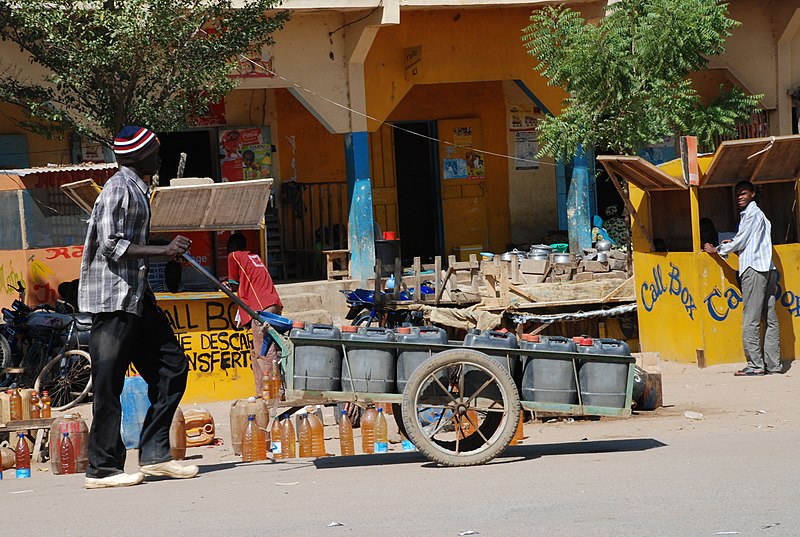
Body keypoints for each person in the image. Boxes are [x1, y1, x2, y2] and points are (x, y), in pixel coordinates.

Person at [78, 126, 198, 489]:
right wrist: (163, 251)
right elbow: (111, 245)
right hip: (113, 301)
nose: (158, 157)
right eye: (154, 151)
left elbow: (131, 245)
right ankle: (102, 468)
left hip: (137, 297)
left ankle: (156, 454)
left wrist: (168, 252)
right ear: (136, 156)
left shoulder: (139, 189)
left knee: (172, 367)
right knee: (107, 383)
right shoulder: (118, 187)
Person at [703, 180, 780, 376]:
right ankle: (773, 364)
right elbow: (748, 241)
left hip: (754, 269)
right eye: (737, 194)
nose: (740, 197)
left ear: (753, 193)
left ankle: (755, 365)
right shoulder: (761, 216)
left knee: (751, 319)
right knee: (769, 318)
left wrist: (717, 249)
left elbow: (742, 240)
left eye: (743, 193)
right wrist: (735, 242)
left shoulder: (751, 215)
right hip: (768, 269)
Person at [225, 232, 283, 393]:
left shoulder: (234, 256)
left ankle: (271, 392)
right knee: (255, 352)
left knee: (264, 352)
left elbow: (234, 284)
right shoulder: (254, 257)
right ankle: (260, 392)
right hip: (273, 303)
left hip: (260, 307)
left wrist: (229, 285)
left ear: (233, 246)